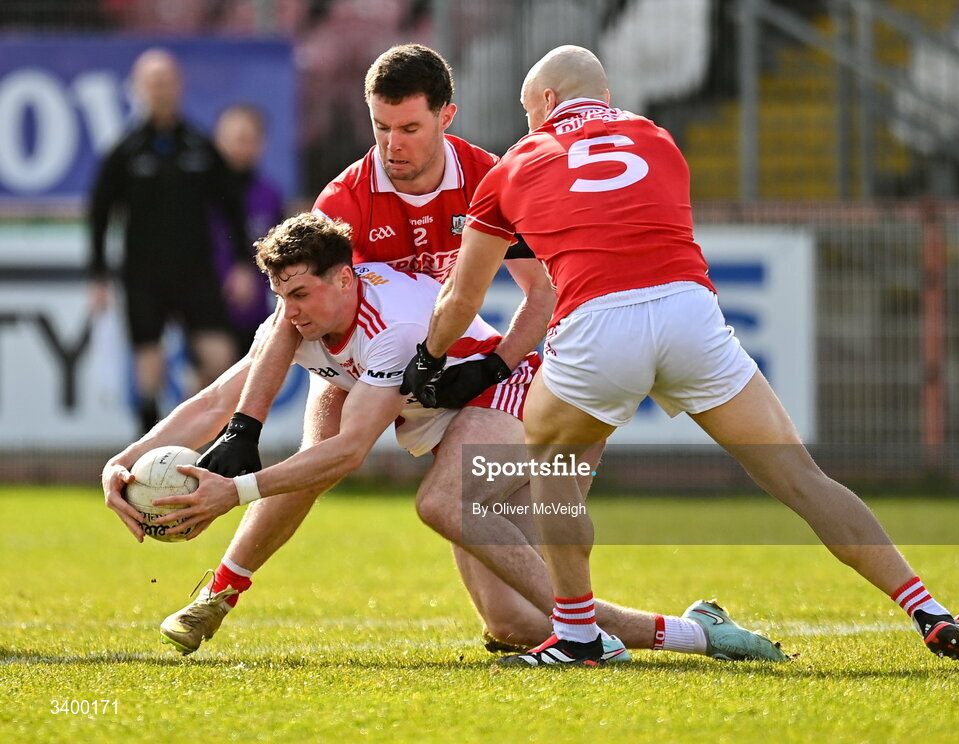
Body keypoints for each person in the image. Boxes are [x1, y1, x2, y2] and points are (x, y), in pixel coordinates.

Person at [402, 45, 959, 670]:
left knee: (553, 480)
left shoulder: (515, 163)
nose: (528, 123)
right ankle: (929, 611)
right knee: (803, 479)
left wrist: (429, 358)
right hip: (690, 315)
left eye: (530, 110)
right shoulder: (659, 139)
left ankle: (579, 633)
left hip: (596, 325)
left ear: (549, 102)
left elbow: (460, 295)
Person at [102, 212, 786, 666]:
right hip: (447, 420)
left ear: (344, 279)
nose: (292, 312)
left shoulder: (391, 327)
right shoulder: (295, 322)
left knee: (437, 504)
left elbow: (345, 454)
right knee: (516, 625)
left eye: (303, 294)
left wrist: (235, 491)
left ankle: (586, 639)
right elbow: (220, 399)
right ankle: (698, 630)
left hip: (514, 399)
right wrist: (126, 461)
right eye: (282, 296)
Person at [145, 43, 556, 657]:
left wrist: (491, 369)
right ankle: (220, 593)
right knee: (320, 457)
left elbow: (541, 293)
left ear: (448, 116)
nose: (393, 146)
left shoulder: (489, 183)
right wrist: (243, 425)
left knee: (515, 624)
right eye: (381, 127)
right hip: (364, 356)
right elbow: (296, 314)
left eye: (411, 128)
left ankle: (609, 625)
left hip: (461, 367)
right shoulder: (345, 201)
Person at [88, 48, 251, 435]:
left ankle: (192, 434)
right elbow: (99, 213)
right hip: (142, 273)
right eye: (152, 83)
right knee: (150, 360)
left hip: (196, 271)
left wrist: (245, 263)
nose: (160, 90)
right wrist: (97, 275)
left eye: (166, 82)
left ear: (178, 86)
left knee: (219, 356)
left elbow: (232, 208)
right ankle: (147, 444)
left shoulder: (199, 146)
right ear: (139, 88)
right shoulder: (125, 151)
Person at [211, 104, 284, 357]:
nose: (237, 147)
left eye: (246, 139)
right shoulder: (201, 197)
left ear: (260, 144)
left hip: (254, 311)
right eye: (231, 139)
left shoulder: (269, 195)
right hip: (208, 309)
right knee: (212, 370)